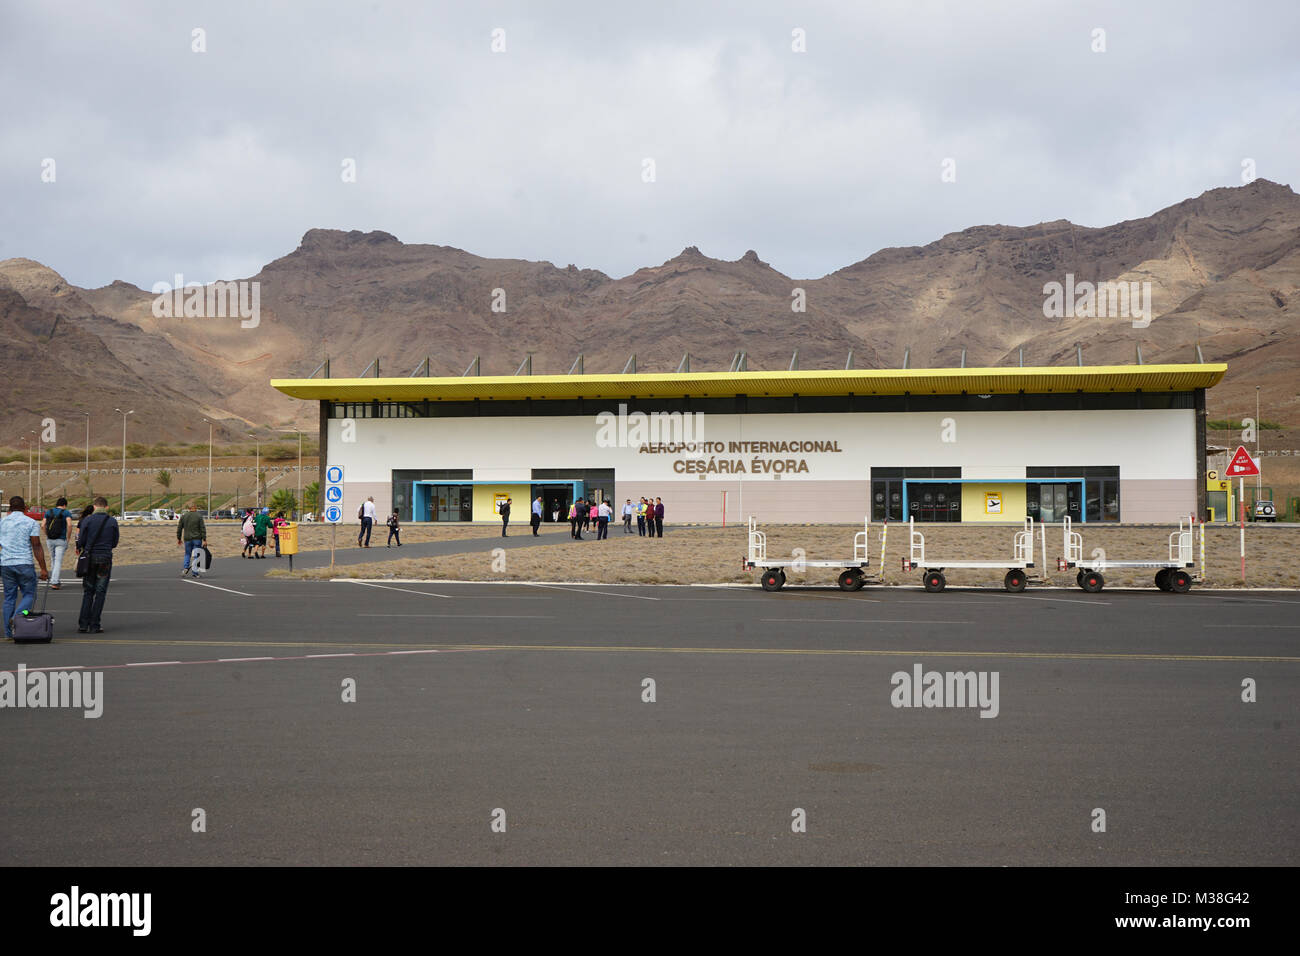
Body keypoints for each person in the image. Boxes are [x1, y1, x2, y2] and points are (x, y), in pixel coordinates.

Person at [2, 496, 50, 639]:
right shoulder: (30, 522)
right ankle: (18, 616)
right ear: (25, 508)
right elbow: (36, 545)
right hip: (24, 562)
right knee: (30, 595)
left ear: (10, 507)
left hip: (5, 563)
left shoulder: (2, 522)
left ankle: (8, 632)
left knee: (9, 597)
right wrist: (43, 568)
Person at [75, 497, 119, 634]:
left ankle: (83, 624)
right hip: (105, 558)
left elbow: (80, 541)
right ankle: (95, 624)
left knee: (88, 591)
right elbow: (114, 542)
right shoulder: (112, 521)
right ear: (106, 507)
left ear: (94, 507)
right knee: (100, 592)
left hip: (90, 559)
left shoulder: (87, 520)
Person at [43, 496, 73, 589]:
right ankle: (55, 582)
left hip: (50, 539)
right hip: (61, 539)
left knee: (53, 559)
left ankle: (54, 579)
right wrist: (68, 538)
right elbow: (69, 525)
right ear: (64, 505)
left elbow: (42, 525)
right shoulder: (66, 512)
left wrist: (47, 534)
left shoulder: (48, 512)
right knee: (58, 561)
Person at [176, 500, 207, 578]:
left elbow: (179, 528)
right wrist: (204, 539)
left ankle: (186, 568)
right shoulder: (199, 516)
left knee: (187, 554)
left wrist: (179, 538)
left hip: (187, 539)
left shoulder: (184, 516)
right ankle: (195, 573)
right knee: (196, 556)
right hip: (197, 539)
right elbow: (202, 528)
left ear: (189, 508)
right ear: (195, 508)